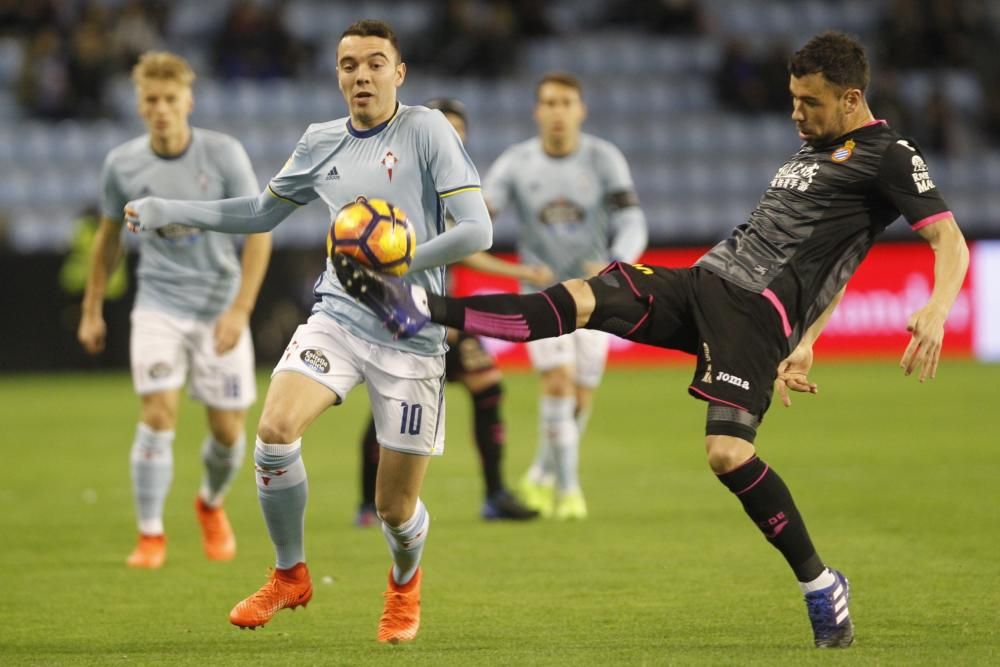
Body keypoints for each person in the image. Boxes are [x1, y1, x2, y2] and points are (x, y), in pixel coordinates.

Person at [335, 31, 970, 648]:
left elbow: (949, 241)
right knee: (584, 296)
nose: (796, 113)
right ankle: (424, 308)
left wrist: (937, 308)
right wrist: (811, 336)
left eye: (811, 103)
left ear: (852, 99)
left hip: (754, 318)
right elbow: (836, 257)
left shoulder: (888, 154)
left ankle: (821, 582)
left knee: (726, 456)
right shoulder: (810, 151)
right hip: (705, 281)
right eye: (793, 98)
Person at [123, 20, 493, 643]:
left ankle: (404, 584)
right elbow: (263, 211)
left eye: (376, 63)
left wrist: (400, 259)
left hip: (412, 329)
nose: (362, 75)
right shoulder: (321, 140)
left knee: (395, 511)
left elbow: (476, 229)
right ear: (338, 75)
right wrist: (171, 210)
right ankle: (289, 573)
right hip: (338, 316)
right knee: (272, 432)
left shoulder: (427, 129)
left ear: (398, 74)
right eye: (350, 65)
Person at [78, 51, 271, 569]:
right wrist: (92, 308)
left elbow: (259, 231)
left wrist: (240, 310)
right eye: (151, 100)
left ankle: (209, 503)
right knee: (157, 414)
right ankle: (150, 534)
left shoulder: (224, 154)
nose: (161, 109)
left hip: (219, 307)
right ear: (140, 106)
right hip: (158, 304)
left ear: (188, 101)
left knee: (230, 433)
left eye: (169, 99)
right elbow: (107, 240)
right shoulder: (122, 164)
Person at [354, 97, 548, 526]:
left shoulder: (453, 182)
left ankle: (495, 494)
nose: (454, 136)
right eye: (447, 128)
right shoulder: (402, 179)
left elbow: (463, 247)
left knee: (488, 386)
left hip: (444, 313)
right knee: (390, 403)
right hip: (402, 310)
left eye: (460, 129)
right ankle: (369, 504)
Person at [484, 72, 648, 520]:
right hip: (539, 294)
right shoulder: (516, 162)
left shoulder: (603, 158)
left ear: (581, 110)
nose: (558, 111)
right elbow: (481, 215)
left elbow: (634, 221)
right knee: (557, 381)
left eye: (566, 102)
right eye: (550, 103)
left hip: (596, 295)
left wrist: (618, 261)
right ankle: (570, 491)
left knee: (579, 397)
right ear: (538, 111)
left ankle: (540, 473)